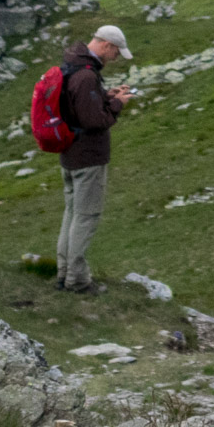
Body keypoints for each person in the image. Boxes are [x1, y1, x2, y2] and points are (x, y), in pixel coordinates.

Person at [56, 23, 137, 293]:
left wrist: (105, 96)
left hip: (69, 153)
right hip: (87, 156)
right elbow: (93, 120)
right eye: (115, 53)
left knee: (72, 213)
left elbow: (80, 105)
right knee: (86, 216)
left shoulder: (73, 66)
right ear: (106, 45)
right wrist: (117, 104)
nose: (115, 58)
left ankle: (63, 272)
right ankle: (77, 281)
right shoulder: (87, 75)